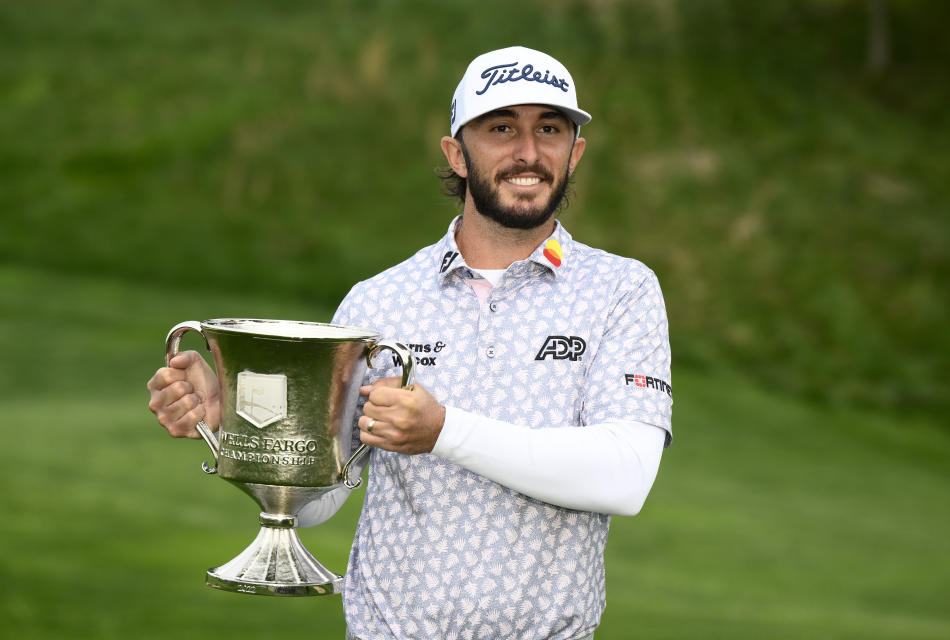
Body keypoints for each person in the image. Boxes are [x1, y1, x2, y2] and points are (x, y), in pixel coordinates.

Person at [148, 46, 672, 640]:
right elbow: (318, 498)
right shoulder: (379, 302)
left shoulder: (621, 291)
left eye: (549, 129)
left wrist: (443, 431)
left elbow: (624, 478)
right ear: (456, 152)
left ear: (574, 153)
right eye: (502, 128)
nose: (528, 152)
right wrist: (242, 424)